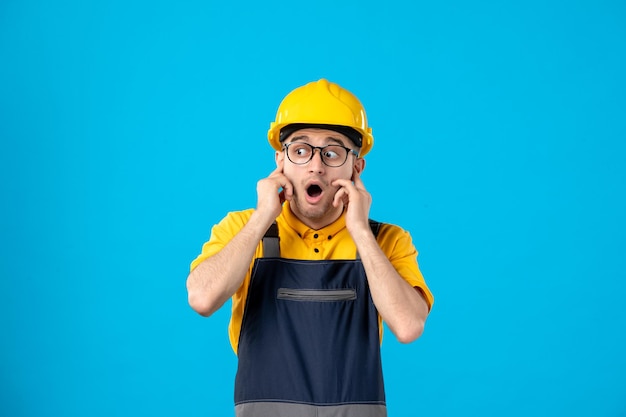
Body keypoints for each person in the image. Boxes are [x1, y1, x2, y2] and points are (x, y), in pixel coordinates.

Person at [187, 79, 434, 417]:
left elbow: (408, 326)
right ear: (280, 161)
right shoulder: (241, 228)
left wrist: (360, 231)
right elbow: (201, 299)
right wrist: (261, 218)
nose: (316, 166)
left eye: (332, 152)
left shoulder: (387, 240)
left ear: (356, 167)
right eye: (300, 151)